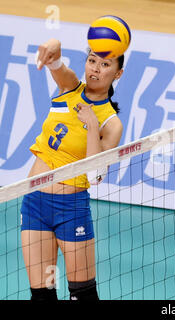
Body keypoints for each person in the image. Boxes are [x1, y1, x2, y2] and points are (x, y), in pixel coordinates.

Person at [20, 38, 124, 300]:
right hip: (35, 204)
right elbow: (57, 64)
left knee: (83, 296)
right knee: (43, 294)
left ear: (117, 73)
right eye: (92, 61)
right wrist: (52, 47)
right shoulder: (70, 87)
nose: (96, 69)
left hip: (71, 210)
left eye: (105, 64)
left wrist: (90, 123)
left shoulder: (111, 123)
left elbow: (95, 175)